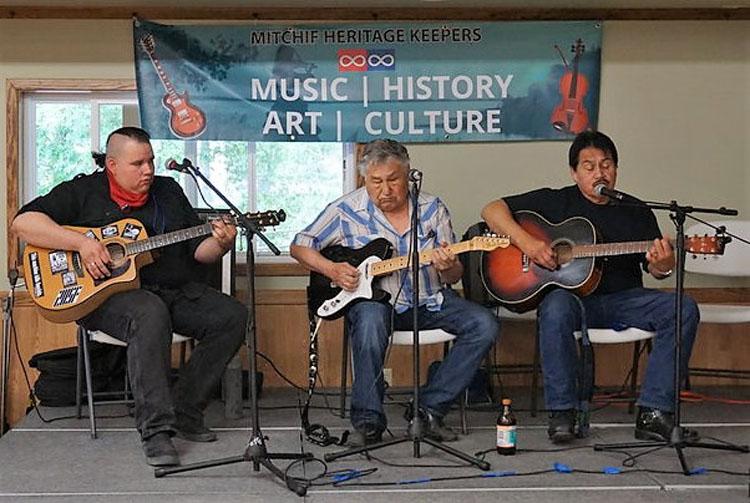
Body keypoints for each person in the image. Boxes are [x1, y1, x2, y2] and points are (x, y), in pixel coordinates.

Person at [11, 127, 247, 466]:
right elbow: (24, 222)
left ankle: (185, 409)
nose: (148, 170)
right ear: (112, 165)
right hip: (107, 299)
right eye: (138, 164)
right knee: (148, 313)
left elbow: (200, 252)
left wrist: (223, 243)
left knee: (232, 316)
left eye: (150, 161)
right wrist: (82, 244)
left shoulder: (168, 191)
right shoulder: (83, 191)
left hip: (172, 291)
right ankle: (155, 431)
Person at [481, 130, 699, 444]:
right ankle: (563, 413)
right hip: (572, 301)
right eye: (589, 166)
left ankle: (654, 412)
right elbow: (491, 210)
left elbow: (654, 268)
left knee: (683, 307)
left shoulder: (636, 211)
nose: (600, 172)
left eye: (606, 165)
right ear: (574, 172)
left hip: (624, 299)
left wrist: (663, 265)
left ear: (616, 170)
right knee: (554, 306)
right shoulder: (554, 201)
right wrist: (528, 243)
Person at [290, 139, 500, 446]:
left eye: (393, 180)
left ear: (409, 175)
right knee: (371, 321)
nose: (385, 190)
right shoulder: (345, 210)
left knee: (485, 325)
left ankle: (429, 409)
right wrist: (332, 270)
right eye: (376, 182)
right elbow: (299, 245)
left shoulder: (432, 209)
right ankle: (368, 422)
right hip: (375, 304)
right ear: (364, 179)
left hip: (430, 301)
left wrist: (447, 265)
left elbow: (453, 275)